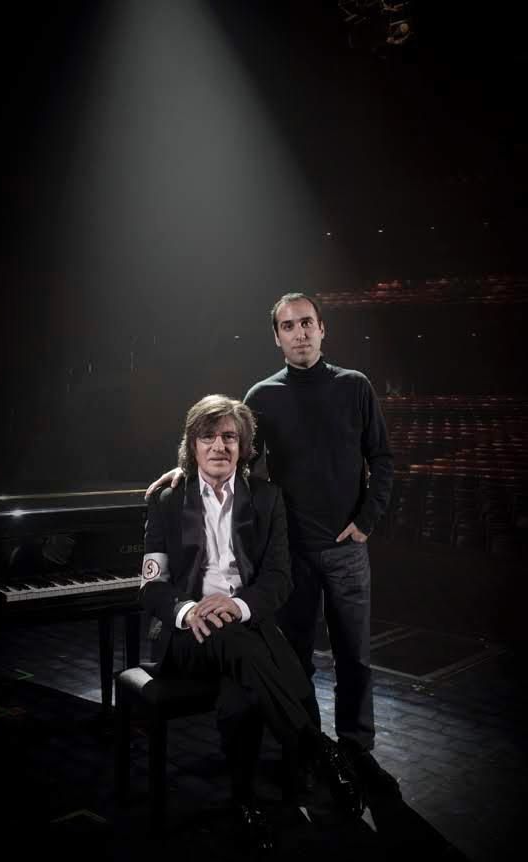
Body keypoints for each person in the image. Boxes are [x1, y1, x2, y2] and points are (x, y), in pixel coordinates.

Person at [146, 295, 398, 799]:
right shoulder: (261, 395)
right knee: (293, 655)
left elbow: (383, 459)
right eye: (288, 326)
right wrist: (185, 468)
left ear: (322, 329)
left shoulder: (355, 386)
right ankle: (305, 752)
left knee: (354, 657)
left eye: (307, 323)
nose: (299, 333)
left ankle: (354, 748)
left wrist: (366, 522)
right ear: (277, 337)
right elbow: (232, 451)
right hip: (291, 554)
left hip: (346, 547)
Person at [140, 394, 364, 852]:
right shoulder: (167, 501)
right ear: (192, 445)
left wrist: (237, 606)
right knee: (249, 646)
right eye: (208, 436)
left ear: (243, 446)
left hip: (243, 624)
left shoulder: (267, 498)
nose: (219, 446)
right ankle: (318, 749)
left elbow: (279, 579)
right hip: (186, 635)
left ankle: (245, 802)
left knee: (239, 693)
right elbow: (152, 586)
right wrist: (188, 610)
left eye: (229, 437)